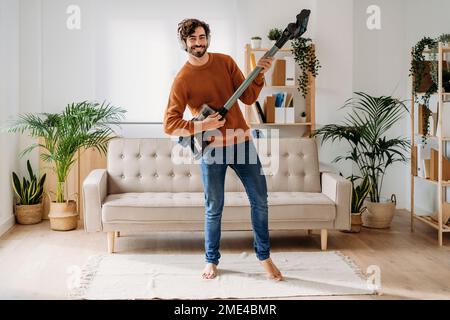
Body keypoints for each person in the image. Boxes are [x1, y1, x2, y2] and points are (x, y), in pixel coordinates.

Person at [163, 18, 283, 281]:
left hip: (242, 143)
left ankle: (264, 257)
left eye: (202, 37)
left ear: (208, 38)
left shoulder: (226, 62)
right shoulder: (182, 79)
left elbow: (248, 97)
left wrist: (260, 73)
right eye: (193, 38)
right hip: (212, 150)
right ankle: (211, 260)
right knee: (214, 207)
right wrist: (203, 124)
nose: (199, 42)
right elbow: (170, 124)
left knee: (260, 201)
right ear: (184, 43)